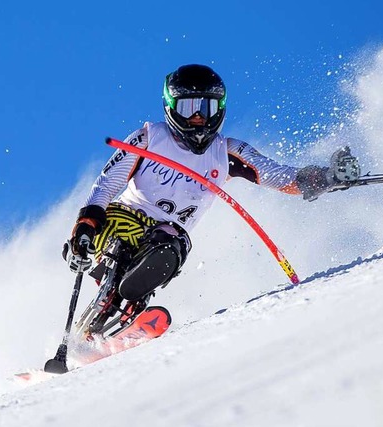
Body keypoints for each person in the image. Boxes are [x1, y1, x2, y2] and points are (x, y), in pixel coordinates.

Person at [63, 64, 360, 334]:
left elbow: (280, 176)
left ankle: (123, 314)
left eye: (206, 108)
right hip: (119, 222)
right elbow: (106, 184)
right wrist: (86, 225)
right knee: (133, 243)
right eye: (188, 108)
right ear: (171, 109)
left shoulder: (225, 153)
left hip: (162, 239)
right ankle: (107, 296)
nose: (197, 118)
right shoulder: (149, 139)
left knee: (171, 243)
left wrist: (327, 178)